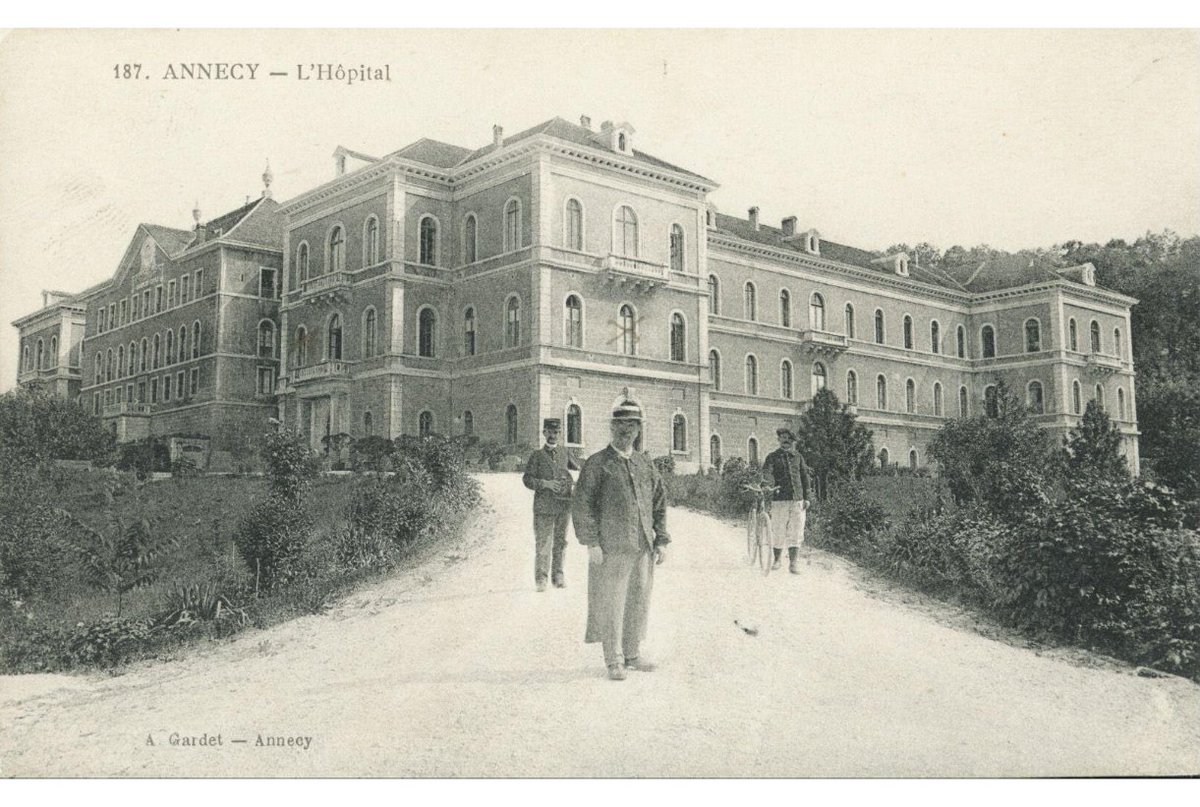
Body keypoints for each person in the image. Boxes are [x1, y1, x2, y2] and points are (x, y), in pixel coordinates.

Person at [572, 397, 669, 681]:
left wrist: (661, 539)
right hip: (611, 548)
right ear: (612, 428)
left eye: (632, 425)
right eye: (621, 425)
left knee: (638, 599)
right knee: (612, 602)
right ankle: (613, 659)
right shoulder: (597, 464)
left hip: (642, 547)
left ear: (639, 430)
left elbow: (660, 501)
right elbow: (582, 505)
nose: (626, 431)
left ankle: (632, 653)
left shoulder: (644, 463)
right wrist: (591, 543)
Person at [522, 418, 581, 592]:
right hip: (544, 506)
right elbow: (527, 479)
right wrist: (545, 484)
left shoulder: (565, 452)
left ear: (560, 433)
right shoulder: (537, 456)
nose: (553, 435)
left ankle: (558, 575)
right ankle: (541, 579)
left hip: (564, 505)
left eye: (556, 432)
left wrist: (577, 482)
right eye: (549, 432)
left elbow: (580, 468)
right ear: (544, 433)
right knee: (543, 543)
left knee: (561, 542)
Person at [761, 427, 811, 574]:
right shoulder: (772, 457)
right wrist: (767, 484)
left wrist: (807, 498)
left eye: (788, 439)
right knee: (778, 530)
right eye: (783, 438)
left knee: (796, 531)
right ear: (779, 440)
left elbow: (805, 478)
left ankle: (793, 563)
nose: (785, 441)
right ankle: (777, 560)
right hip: (779, 499)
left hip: (797, 499)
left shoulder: (798, 457)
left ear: (792, 442)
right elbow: (767, 472)